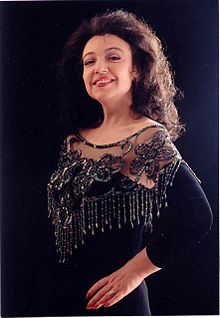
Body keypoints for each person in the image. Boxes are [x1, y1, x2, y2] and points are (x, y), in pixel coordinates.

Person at [46, 9, 213, 316]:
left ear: (136, 69)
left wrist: (133, 274)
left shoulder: (147, 137)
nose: (99, 68)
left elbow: (196, 218)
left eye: (113, 57)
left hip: (117, 304)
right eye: (89, 61)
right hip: (64, 302)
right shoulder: (74, 139)